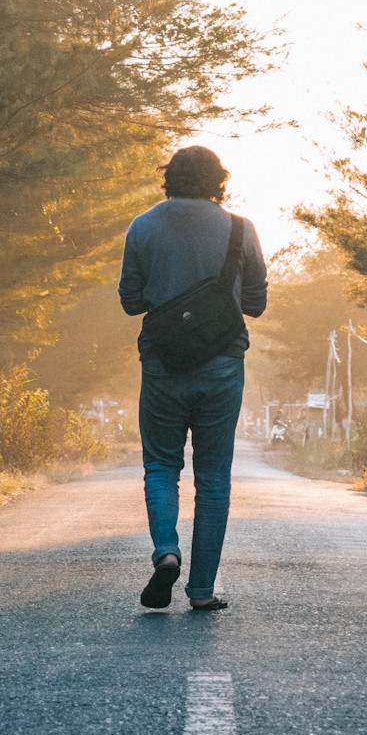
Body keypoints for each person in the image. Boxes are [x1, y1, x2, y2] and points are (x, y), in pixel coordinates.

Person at [117, 144, 268, 611]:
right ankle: (201, 590)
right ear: (218, 182)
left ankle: (166, 551)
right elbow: (256, 305)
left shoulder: (142, 227)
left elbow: (130, 301)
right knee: (214, 477)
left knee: (161, 466)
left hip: (162, 365)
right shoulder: (241, 230)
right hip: (222, 366)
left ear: (169, 179)